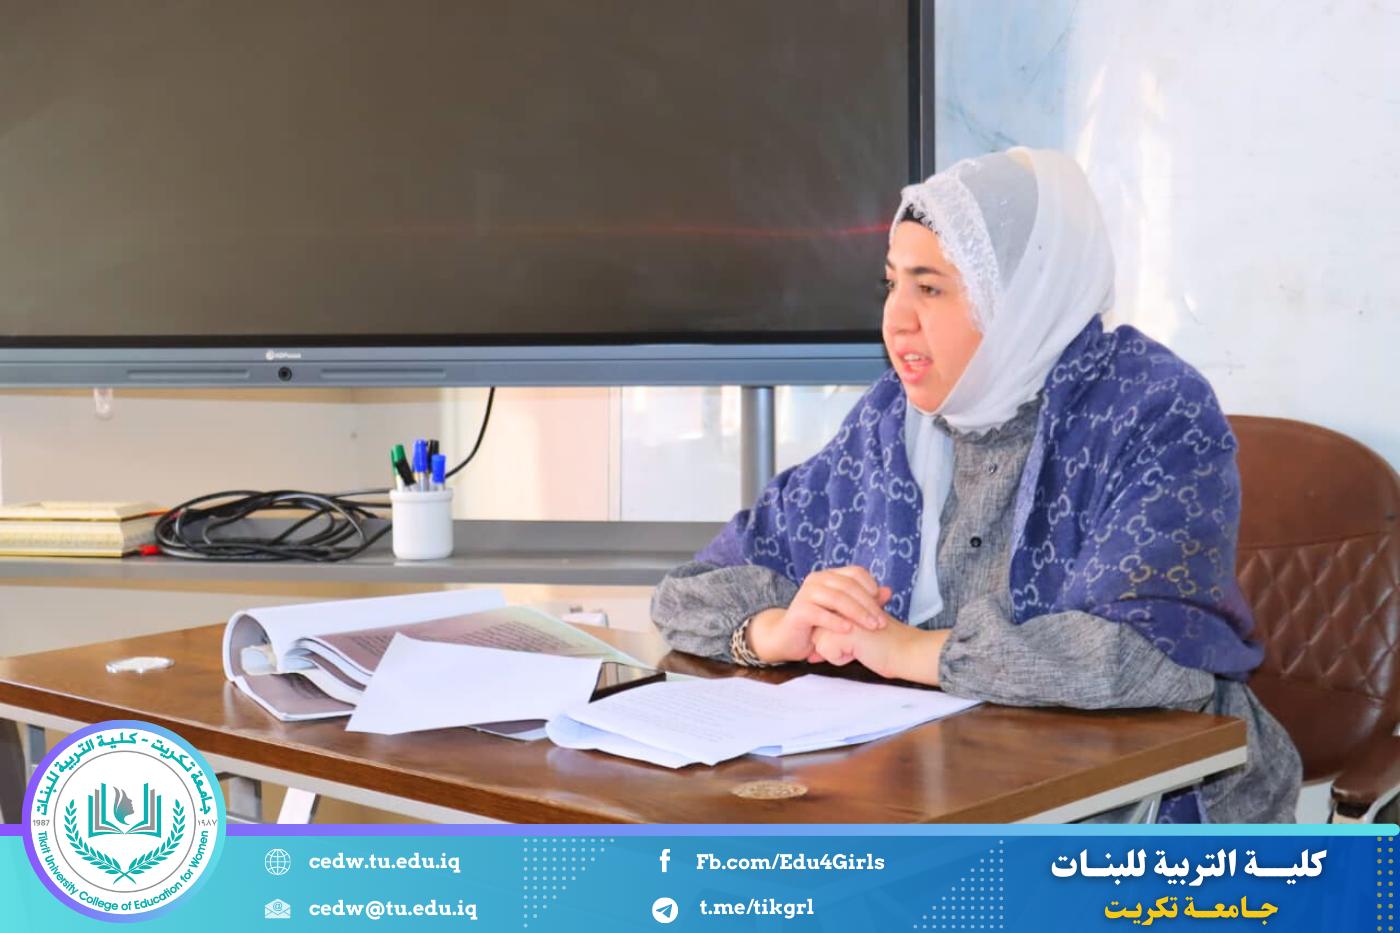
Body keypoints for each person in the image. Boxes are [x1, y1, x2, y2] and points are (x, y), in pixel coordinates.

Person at [651, 147, 1301, 823]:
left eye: (930, 288)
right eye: (891, 284)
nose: (896, 319)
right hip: (938, 797)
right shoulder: (890, 421)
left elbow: (1150, 658)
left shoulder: (1151, 411)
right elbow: (688, 594)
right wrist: (775, 631)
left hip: (1145, 821)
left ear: (1018, 296)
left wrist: (907, 650)